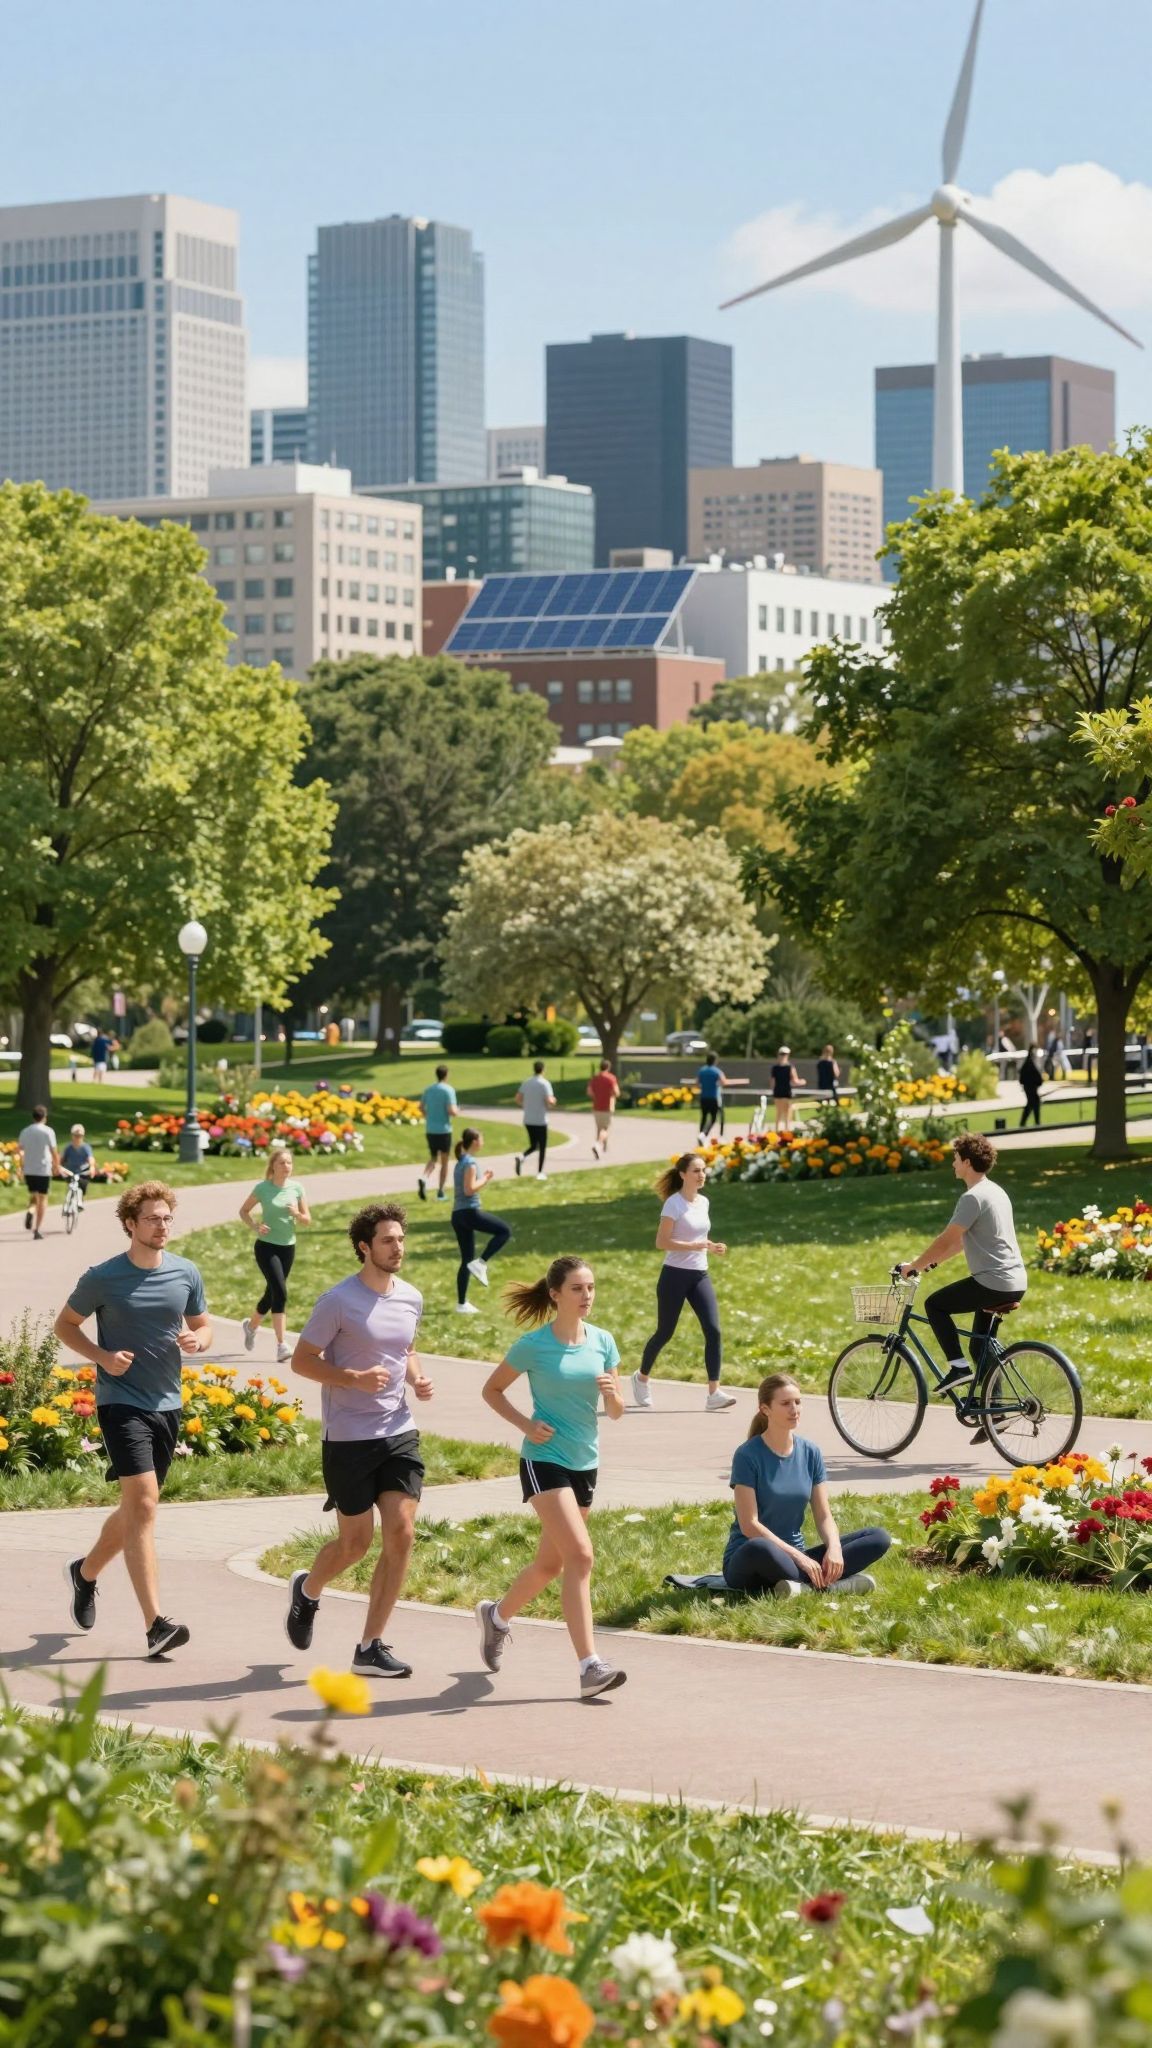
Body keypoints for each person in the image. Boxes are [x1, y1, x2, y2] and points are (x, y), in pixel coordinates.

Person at [55, 1181, 213, 1659]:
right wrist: (102, 1357)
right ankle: (155, 1625)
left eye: (166, 1218)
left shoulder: (186, 1273)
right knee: (144, 1505)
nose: (161, 1226)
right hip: (120, 1402)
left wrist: (198, 1342)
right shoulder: (103, 1277)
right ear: (129, 1224)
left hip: (168, 1403)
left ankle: (84, 1573)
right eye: (151, 1219)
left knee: (135, 1510)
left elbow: (203, 1325)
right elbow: (65, 1325)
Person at [286, 1200, 433, 1679]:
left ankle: (370, 1646)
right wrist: (350, 1377)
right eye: (388, 1240)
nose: (398, 1247)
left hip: (398, 1430)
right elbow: (302, 1361)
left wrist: (416, 1377)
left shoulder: (410, 1297)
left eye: (401, 1239)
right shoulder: (338, 1301)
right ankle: (308, 1590)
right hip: (348, 1437)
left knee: (402, 1533)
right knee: (354, 1544)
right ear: (364, 1247)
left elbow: (405, 1348)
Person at [475, 1254, 627, 1700]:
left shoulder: (603, 1342)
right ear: (556, 1294)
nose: (587, 1296)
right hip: (544, 1459)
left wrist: (613, 1395)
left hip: (585, 1461)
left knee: (550, 1564)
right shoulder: (533, 1345)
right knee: (580, 1556)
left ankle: (497, 1617)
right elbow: (491, 1390)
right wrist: (525, 1425)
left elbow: (616, 1413)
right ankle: (589, 1667)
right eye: (578, 1289)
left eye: (591, 1288)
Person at [899, 1132, 1028, 1431]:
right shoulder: (996, 1191)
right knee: (981, 1345)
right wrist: (929, 1265)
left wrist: (912, 1266)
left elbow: (947, 1238)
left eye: (955, 1159)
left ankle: (957, 1370)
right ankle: (995, 1413)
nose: (953, 1164)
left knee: (935, 1305)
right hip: (1015, 1279)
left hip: (992, 1282)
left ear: (967, 1162)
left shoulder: (972, 1197)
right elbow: (959, 1244)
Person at [724, 1373, 891, 1598]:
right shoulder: (747, 1455)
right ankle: (831, 1585)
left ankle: (802, 1587)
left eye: (798, 1402)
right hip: (750, 1559)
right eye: (785, 1404)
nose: (794, 1409)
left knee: (878, 1537)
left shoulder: (810, 1452)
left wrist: (834, 1549)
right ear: (765, 1409)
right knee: (760, 1548)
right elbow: (749, 1526)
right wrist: (801, 1559)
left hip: (795, 1559)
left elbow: (823, 1515)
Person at [631, 1153, 736, 1413]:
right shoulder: (673, 1204)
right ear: (682, 1175)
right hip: (674, 1275)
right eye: (696, 1171)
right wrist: (695, 1245)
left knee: (714, 1330)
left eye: (703, 1170)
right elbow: (661, 1242)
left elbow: (699, 1235)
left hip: (700, 1274)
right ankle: (641, 1378)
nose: (702, 1175)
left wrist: (711, 1246)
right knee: (665, 1332)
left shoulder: (704, 1202)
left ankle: (714, 1392)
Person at [239, 1146, 312, 1362]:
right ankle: (282, 1345)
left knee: (272, 1292)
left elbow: (307, 1220)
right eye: (282, 1163)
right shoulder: (263, 1188)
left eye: (289, 1163)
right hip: (266, 1246)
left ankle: (251, 1326)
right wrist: (255, 1226)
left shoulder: (297, 1188)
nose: (286, 1166)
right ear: (273, 1166)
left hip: (288, 1247)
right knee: (280, 1292)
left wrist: (297, 1213)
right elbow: (243, 1211)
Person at [452, 1126, 512, 1313]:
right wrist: (485, 1178)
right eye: (482, 1138)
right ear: (475, 1142)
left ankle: (461, 1304)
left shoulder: (460, 1161)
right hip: (470, 1212)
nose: (483, 1142)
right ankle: (481, 1263)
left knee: (466, 1259)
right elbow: (469, 1189)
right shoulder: (470, 1162)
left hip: (458, 1215)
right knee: (504, 1231)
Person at [19, 1105, 60, 1240]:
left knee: (33, 1195)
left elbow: (20, 1151)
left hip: (29, 1170)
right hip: (43, 1170)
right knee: (42, 1199)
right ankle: (37, 1229)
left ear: (33, 1117)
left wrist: (21, 1167)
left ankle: (31, 1211)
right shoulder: (48, 1131)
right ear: (45, 1117)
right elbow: (54, 1152)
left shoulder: (25, 1131)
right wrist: (56, 1166)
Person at [418, 1064, 457, 1202]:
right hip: (444, 1130)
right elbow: (452, 1110)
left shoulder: (429, 1090)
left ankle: (424, 1177)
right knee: (445, 1162)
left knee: (434, 1157)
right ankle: (441, 1191)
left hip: (430, 1129)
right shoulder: (448, 1090)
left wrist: (428, 1116)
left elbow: (421, 1107)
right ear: (446, 1074)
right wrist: (457, 1112)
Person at [515, 1059, 556, 1180]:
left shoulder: (526, 1082)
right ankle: (540, 1172)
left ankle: (522, 1156)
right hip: (541, 1119)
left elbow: (518, 1098)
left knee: (533, 1145)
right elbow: (549, 1101)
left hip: (528, 1118)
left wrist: (525, 1105)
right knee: (542, 1146)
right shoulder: (544, 1084)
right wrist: (553, 1102)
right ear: (543, 1069)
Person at [587, 1058, 620, 1159]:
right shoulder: (611, 1078)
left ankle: (602, 1148)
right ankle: (597, 1145)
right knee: (605, 1129)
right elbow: (616, 1092)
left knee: (599, 1128)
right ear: (608, 1067)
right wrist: (611, 1095)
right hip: (607, 1106)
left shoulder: (594, 1078)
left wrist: (597, 1096)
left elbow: (589, 1092)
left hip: (597, 1106)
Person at [695, 1050, 728, 1143]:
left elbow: (697, 1083)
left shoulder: (702, 1070)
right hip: (713, 1097)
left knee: (704, 1116)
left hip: (703, 1097)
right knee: (713, 1118)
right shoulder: (717, 1071)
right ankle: (704, 1134)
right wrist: (717, 1084)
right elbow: (724, 1081)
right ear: (715, 1060)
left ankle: (700, 1134)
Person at [60, 1123, 95, 1208]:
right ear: (72, 1136)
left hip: (82, 1172)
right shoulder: (68, 1148)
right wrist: (59, 1167)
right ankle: (68, 1202)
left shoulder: (86, 1147)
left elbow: (91, 1158)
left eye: (80, 1136)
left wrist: (92, 1167)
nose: (77, 1138)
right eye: (76, 1135)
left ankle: (80, 1200)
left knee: (82, 1185)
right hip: (70, 1171)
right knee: (71, 1184)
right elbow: (61, 1159)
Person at [771, 1046, 805, 1133]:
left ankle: (778, 1129)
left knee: (779, 1112)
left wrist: (773, 1091)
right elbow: (795, 1081)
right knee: (787, 1112)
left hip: (778, 1091)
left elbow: (772, 1082)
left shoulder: (775, 1068)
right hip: (785, 1091)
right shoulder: (790, 1067)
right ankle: (786, 1130)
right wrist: (802, 1082)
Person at [1019, 1045, 1043, 1129]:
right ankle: (1035, 1122)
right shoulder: (1030, 1062)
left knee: (1032, 1103)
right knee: (1033, 1103)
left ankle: (1027, 1122)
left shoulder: (1030, 1061)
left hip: (1030, 1087)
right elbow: (1034, 1075)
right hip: (1030, 1087)